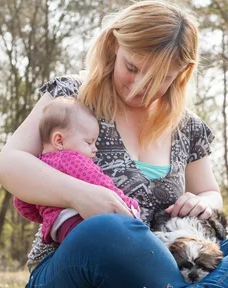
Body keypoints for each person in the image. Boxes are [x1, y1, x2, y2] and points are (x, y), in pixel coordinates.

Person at [0, 0, 228, 288]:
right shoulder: (72, 96)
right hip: (77, 263)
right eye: (133, 68)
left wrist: (201, 202)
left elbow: (211, 194)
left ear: (181, 74)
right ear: (115, 46)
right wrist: (80, 195)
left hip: (172, 257)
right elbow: (9, 165)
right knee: (109, 230)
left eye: (161, 78)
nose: (142, 86)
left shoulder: (189, 126)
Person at [13, 97, 141, 244]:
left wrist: (46, 216)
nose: (95, 149)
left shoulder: (37, 165)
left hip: (57, 227)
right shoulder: (73, 160)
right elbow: (101, 183)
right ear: (59, 141)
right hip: (75, 221)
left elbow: (22, 202)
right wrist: (128, 205)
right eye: (89, 142)